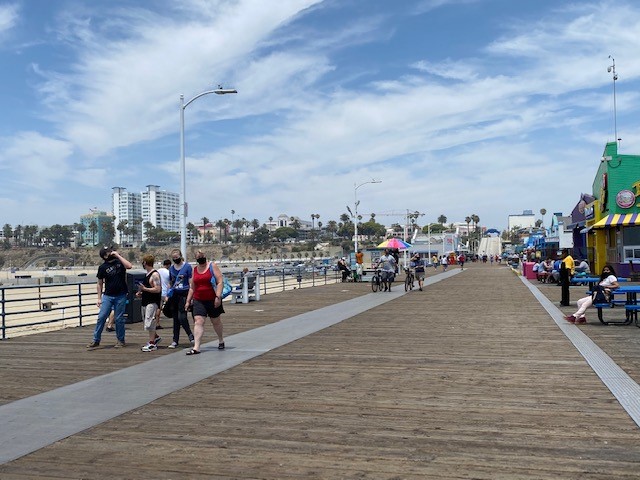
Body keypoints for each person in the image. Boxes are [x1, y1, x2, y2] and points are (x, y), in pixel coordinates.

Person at [87, 246, 133, 349]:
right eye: (108, 252)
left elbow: (129, 266)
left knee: (119, 318)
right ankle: (96, 340)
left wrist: (118, 255)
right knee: (101, 317)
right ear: (104, 256)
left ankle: (121, 340)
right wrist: (99, 298)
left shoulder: (120, 262)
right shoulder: (103, 267)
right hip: (108, 295)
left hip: (121, 294)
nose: (111, 253)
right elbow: (99, 283)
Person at [185, 250, 225, 355]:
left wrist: (218, 296)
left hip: (212, 299)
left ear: (205, 256)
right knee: (198, 321)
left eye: (201, 256)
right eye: (198, 257)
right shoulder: (195, 270)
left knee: (216, 321)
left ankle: (221, 340)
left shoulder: (212, 266)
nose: (200, 258)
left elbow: (220, 281)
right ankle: (196, 347)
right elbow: (192, 287)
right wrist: (188, 301)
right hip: (199, 299)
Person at [167, 249, 194, 349]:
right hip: (175, 295)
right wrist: (167, 294)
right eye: (173, 258)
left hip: (184, 293)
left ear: (180, 256)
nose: (175, 259)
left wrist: (191, 297)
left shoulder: (187, 267)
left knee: (182, 317)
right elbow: (170, 282)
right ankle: (175, 340)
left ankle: (190, 335)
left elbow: (191, 282)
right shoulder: (171, 269)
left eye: (177, 257)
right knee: (175, 319)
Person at [137, 255, 162, 352]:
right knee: (146, 321)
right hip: (145, 300)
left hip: (152, 301)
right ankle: (155, 337)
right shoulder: (147, 274)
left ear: (145, 263)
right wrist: (141, 292)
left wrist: (145, 289)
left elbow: (158, 289)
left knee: (149, 322)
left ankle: (152, 343)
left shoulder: (154, 275)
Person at [154, 259, 171, 330]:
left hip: (158, 291)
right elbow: (170, 284)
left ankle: (157, 323)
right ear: (169, 265)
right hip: (165, 292)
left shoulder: (157, 271)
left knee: (158, 308)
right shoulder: (168, 272)